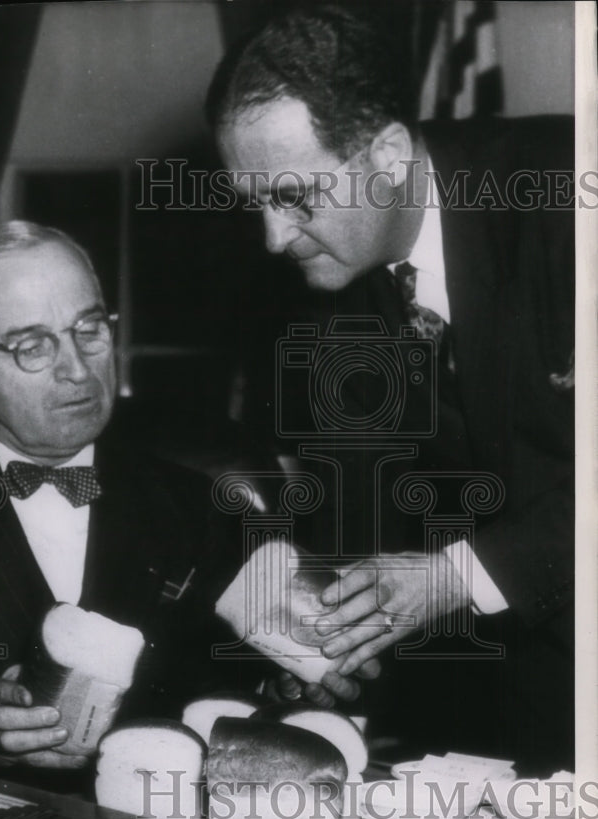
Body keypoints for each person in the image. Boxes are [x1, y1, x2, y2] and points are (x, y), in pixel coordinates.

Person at [206, 4, 574, 771]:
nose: (274, 240)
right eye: (256, 206)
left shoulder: (566, 198)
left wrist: (457, 576)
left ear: (390, 151)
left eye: (296, 197)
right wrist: (326, 647)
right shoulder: (330, 303)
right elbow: (364, 518)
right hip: (537, 692)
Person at [0, 221, 255, 783]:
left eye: (89, 330)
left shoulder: (201, 508)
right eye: (32, 346)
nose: (78, 369)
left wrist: (289, 684)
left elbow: (231, 691)